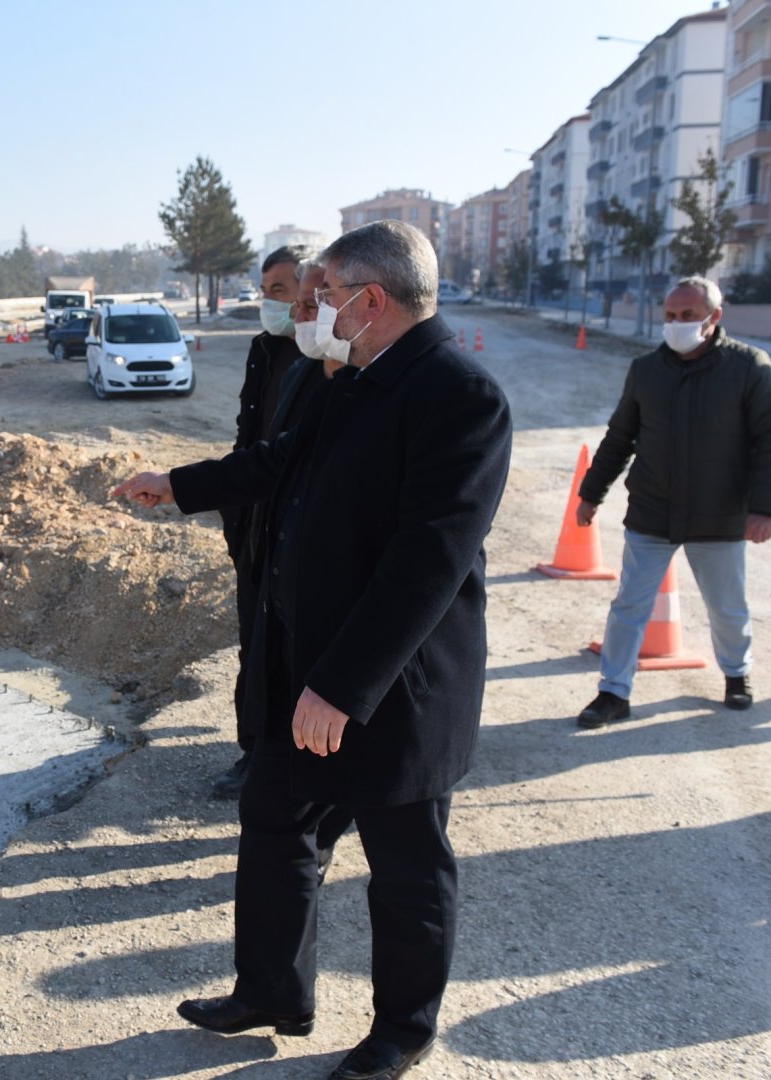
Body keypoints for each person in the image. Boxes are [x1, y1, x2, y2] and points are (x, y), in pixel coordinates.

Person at [112, 220, 512, 1080]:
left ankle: (402, 1030)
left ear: (371, 300)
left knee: (406, 867)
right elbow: (279, 462)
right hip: (307, 667)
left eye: (324, 291)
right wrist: (178, 486)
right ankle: (272, 991)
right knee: (276, 823)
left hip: (391, 688)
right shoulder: (353, 380)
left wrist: (342, 687)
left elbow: (427, 564)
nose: (311, 304)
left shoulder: (459, 395)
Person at [574, 276, 771, 729]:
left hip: (720, 514)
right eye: (670, 316)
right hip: (652, 510)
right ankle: (613, 691)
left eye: (688, 316)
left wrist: (765, 508)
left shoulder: (748, 367)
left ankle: (737, 675)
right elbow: (620, 437)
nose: (677, 324)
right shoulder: (646, 371)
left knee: (727, 606)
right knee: (629, 606)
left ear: (715, 317)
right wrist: (591, 493)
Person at [213, 246, 308, 801]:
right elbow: (247, 439)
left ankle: (292, 760)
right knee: (253, 644)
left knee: (290, 653)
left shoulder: (330, 360)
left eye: (279, 291)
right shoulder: (263, 350)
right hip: (254, 522)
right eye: (264, 290)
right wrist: (235, 517)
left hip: (298, 531)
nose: (267, 302)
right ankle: (253, 752)